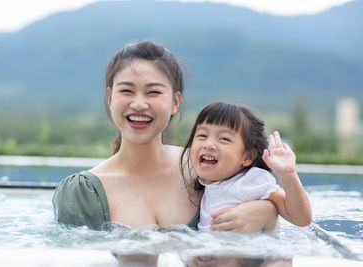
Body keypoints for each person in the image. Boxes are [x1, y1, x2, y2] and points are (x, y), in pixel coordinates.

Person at [52, 41, 278, 232]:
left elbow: (267, 205)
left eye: (154, 92)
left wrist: (266, 211)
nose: (139, 103)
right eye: (127, 91)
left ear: (175, 102)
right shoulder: (84, 192)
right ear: (110, 97)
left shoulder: (206, 167)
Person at [180, 102, 312, 230]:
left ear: (247, 157)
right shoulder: (202, 184)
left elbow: (301, 219)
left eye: (224, 139)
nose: (208, 144)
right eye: (202, 135)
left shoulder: (248, 180)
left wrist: (288, 174)